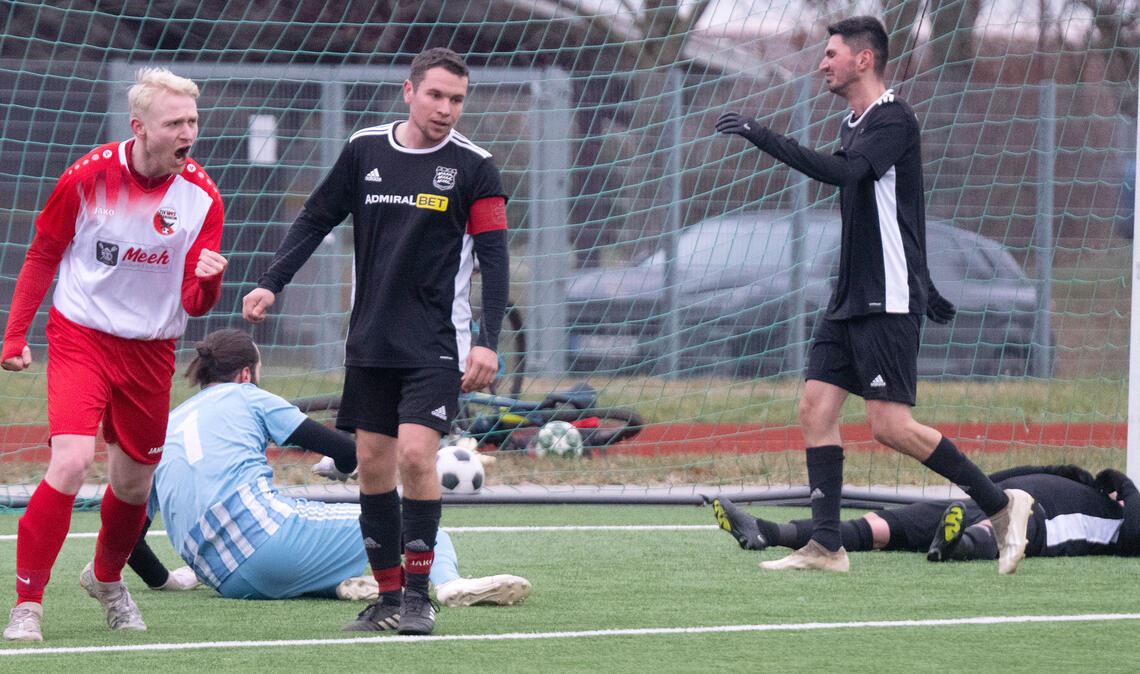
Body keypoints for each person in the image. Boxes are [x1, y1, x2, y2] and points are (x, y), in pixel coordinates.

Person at [715, 16, 1032, 575]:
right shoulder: (856, 121)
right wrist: (928, 281)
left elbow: (846, 174)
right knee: (815, 408)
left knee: (890, 427)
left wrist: (763, 136)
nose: (822, 62)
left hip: (884, 299)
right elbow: (898, 211)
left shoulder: (893, 120)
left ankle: (1004, 506)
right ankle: (827, 546)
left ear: (864, 59)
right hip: (850, 296)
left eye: (832, 53)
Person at [241, 46, 510, 635]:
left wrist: (488, 342)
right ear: (409, 91)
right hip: (370, 340)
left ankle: (418, 597)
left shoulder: (476, 167)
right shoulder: (366, 149)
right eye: (435, 95)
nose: (445, 109)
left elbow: (495, 258)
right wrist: (271, 284)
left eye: (457, 99)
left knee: (417, 456)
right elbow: (315, 218)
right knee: (370, 463)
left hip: (439, 341)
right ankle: (387, 597)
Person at [2, 67, 227, 642]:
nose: (187, 132)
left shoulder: (202, 197)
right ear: (140, 127)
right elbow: (42, 255)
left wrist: (207, 282)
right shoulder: (87, 177)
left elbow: (194, 305)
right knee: (72, 461)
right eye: (175, 122)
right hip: (82, 338)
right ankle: (28, 602)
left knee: (133, 489)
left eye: (192, 121)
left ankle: (105, 579)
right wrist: (14, 334)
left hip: (152, 353)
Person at [130, 328, 530, 610]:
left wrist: (165, 580)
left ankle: (353, 584)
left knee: (343, 539)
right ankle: (446, 586)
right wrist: (341, 465)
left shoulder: (169, 424)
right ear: (246, 374)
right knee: (415, 526)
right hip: (270, 545)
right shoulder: (249, 396)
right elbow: (346, 451)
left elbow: (130, 539)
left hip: (223, 579)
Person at [711, 464, 1140, 562]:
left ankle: (960, 544)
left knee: (1011, 522)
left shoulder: (1120, 518)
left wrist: (1125, 489)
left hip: (1044, 518)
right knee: (887, 525)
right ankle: (773, 531)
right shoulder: (1090, 480)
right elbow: (1037, 470)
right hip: (986, 498)